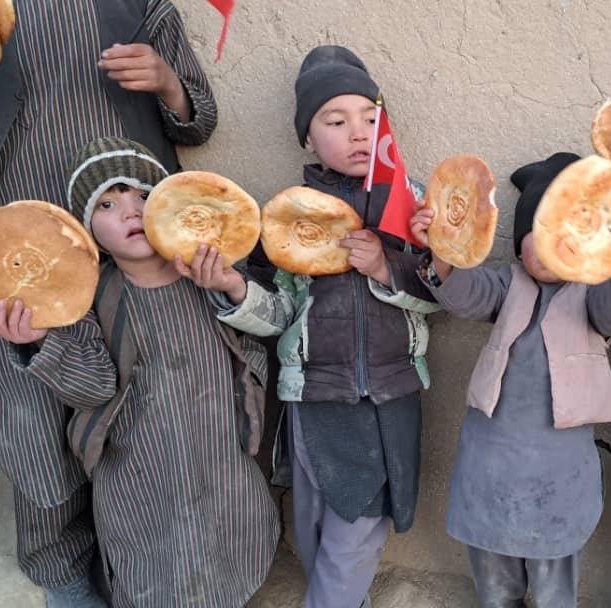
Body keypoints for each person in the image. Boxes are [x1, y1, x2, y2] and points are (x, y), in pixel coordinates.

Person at [0, 1, 216, 604]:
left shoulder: (142, 4)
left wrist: (168, 83)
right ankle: (61, 570)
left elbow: (198, 122)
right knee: (31, 418)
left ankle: (142, 564)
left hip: (130, 252)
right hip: (13, 254)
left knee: (140, 413)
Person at [183, 45, 438, 608]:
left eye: (370, 118)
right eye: (335, 120)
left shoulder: (413, 203)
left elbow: (442, 296)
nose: (358, 133)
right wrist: (233, 287)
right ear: (307, 136)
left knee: (362, 518)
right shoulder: (286, 217)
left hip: (391, 390)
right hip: (315, 394)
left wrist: (388, 267)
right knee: (317, 513)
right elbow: (277, 314)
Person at [0, 136, 278, 606]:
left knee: (232, 544)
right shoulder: (88, 300)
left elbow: (274, 321)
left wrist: (232, 286)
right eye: (107, 203)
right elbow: (93, 387)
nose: (131, 212)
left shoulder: (207, 270)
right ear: (86, 229)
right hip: (139, 474)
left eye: (144, 195)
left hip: (221, 457)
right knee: (152, 564)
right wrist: (41, 341)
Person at [408, 152, 611, 607]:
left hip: (559, 468)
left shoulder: (593, 295)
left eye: (563, 235)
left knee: (553, 583)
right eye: (537, 236)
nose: (548, 249)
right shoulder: (507, 285)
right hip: (491, 461)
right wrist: (442, 249)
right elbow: (465, 294)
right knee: (495, 578)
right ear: (519, 242)